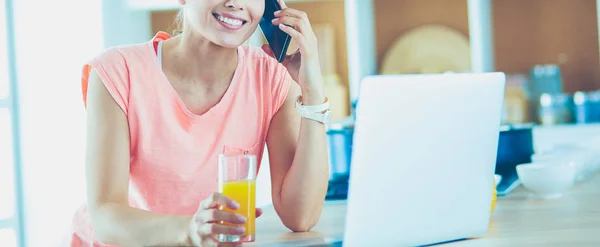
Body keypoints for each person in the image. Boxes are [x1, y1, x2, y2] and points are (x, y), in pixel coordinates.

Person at [70, 0, 330, 246]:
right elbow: (105, 215)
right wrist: (189, 230)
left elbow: (301, 217)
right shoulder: (116, 71)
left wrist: (313, 91)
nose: (236, 3)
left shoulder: (271, 77)